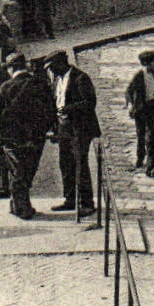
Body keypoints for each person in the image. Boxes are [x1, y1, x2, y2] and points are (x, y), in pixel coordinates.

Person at [0, 53, 57, 219]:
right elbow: (50, 111)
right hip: (35, 137)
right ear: (25, 67)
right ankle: (19, 205)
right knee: (27, 171)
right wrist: (43, 129)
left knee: (17, 172)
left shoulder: (6, 87)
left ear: (11, 68)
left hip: (12, 139)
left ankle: (21, 208)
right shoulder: (40, 84)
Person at [45, 50, 99, 215]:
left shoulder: (80, 78)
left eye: (52, 67)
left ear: (61, 64)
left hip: (80, 128)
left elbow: (90, 103)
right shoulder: (57, 80)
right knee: (65, 163)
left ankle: (87, 203)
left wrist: (68, 109)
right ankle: (70, 199)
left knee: (80, 164)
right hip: (64, 128)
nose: (51, 71)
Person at [125, 51, 154, 176]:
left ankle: (150, 166)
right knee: (140, 136)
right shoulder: (139, 75)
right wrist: (131, 105)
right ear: (147, 63)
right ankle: (140, 159)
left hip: (152, 109)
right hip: (140, 110)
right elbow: (128, 91)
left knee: (151, 137)